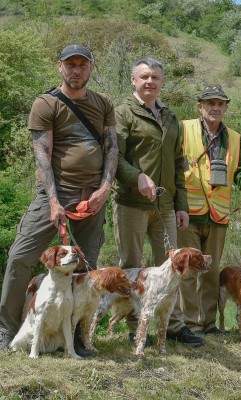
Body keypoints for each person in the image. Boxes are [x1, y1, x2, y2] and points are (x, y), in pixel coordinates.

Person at [0, 44, 118, 354]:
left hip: (93, 196)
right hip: (55, 193)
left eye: (82, 64)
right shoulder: (46, 104)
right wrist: (53, 201)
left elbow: (112, 149)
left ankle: (77, 337)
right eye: (70, 64)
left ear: (91, 68)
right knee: (20, 257)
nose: (76, 69)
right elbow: (43, 154)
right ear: (60, 67)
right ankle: (6, 331)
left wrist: (104, 190)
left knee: (86, 270)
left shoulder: (104, 103)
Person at [113, 56, 204, 346]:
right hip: (131, 204)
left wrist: (181, 206)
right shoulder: (123, 113)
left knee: (173, 269)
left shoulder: (170, 117)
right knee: (130, 265)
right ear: (133, 80)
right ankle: (132, 328)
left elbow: (179, 164)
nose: (150, 81)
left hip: (165, 207)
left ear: (162, 82)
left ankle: (174, 326)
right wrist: (137, 177)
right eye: (144, 77)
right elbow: (115, 157)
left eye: (155, 77)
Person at [176, 84, 241, 337]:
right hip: (187, 212)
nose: (215, 107)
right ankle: (189, 325)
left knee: (211, 272)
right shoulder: (183, 128)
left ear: (225, 108)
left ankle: (208, 324)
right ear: (199, 106)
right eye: (209, 103)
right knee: (189, 272)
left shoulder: (234, 138)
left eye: (220, 104)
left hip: (218, 215)